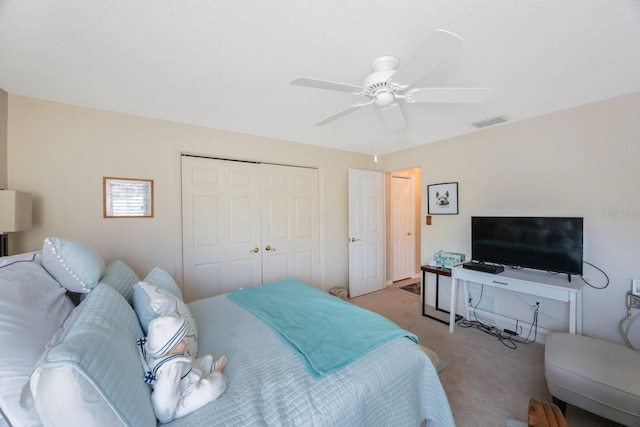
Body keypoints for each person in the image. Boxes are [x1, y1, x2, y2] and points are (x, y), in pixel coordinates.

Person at [139, 314, 227, 423]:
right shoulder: (171, 368)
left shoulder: (163, 352)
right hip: (181, 396)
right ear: (169, 348)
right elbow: (164, 399)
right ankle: (216, 374)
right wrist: (165, 415)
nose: (187, 340)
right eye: (181, 340)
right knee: (211, 389)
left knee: (195, 364)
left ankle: (211, 367)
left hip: (185, 377)